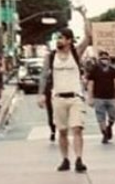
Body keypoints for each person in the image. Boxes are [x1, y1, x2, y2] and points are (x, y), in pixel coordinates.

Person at [38, 27, 91, 172]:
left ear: (69, 40)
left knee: (77, 129)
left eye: (61, 38)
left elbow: (88, 36)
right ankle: (65, 159)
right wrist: (41, 94)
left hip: (75, 97)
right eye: (58, 38)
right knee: (62, 131)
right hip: (58, 97)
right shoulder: (51, 56)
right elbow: (43, 76)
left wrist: (83, 14)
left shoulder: (75, 53)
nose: (59, 41)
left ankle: (79, 159)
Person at [86, 50, 115, 143]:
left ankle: (109, 126)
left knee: (113, 116)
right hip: (98, 97)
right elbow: (90, 84)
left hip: (111, 97)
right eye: (102, 58)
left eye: (106, 58)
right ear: (99, 59)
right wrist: (90, 97)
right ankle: (104, 133)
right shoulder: (94, 71)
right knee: (100, 117)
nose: (104, 60)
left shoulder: (113, 71)